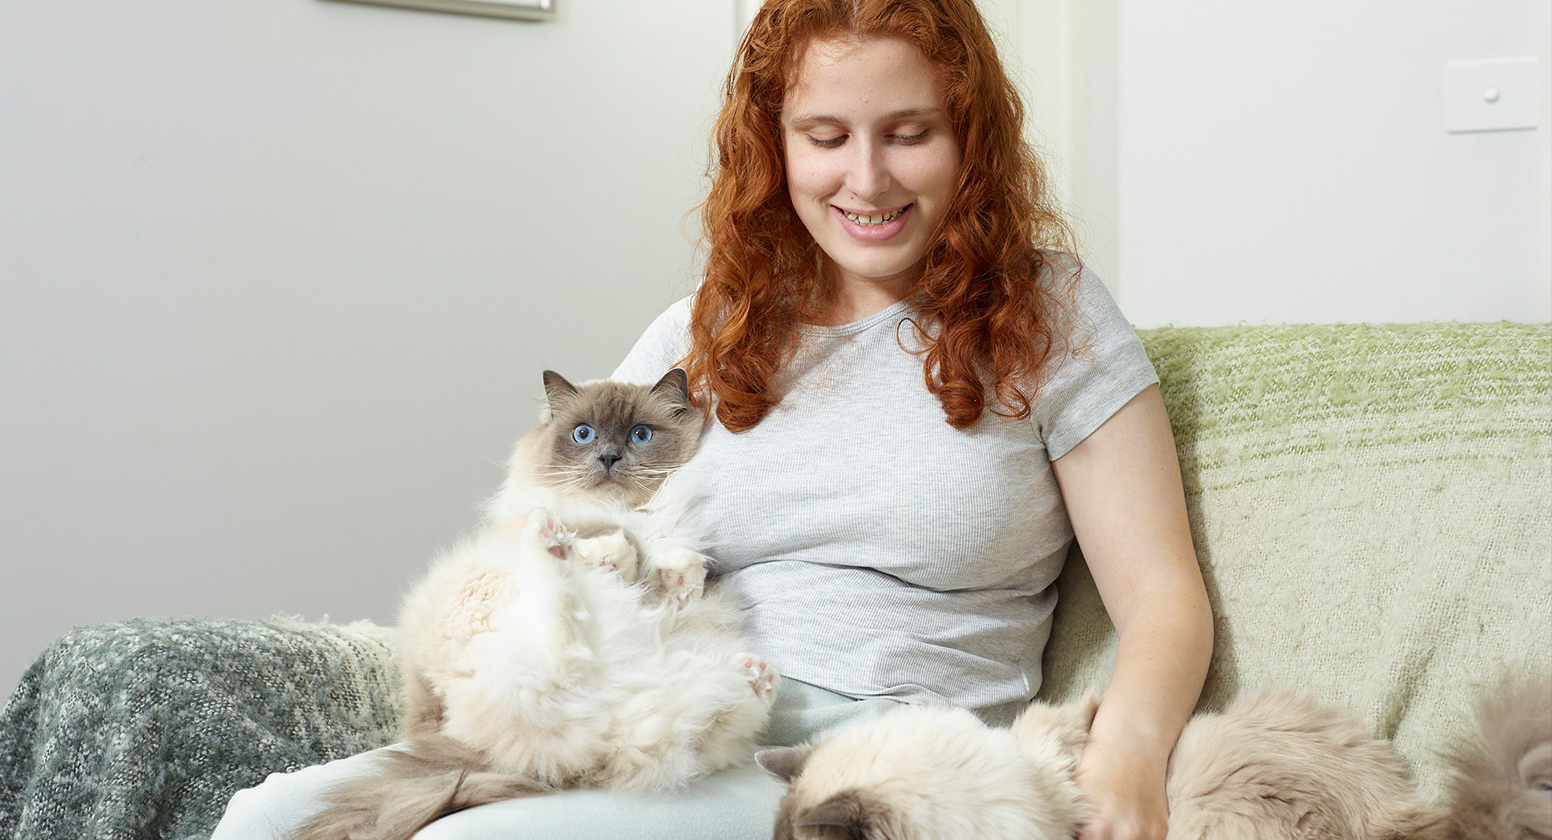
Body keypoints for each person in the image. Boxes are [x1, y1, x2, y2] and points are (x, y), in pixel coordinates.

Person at [212, 1, 1212, 838]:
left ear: (971, 138)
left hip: (871, 758)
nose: (866, 180)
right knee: (263, 820)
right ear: (773, 143)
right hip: (651, 702)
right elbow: (548, 522)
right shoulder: (709, 326)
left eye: (909, 133)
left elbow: (1163, 595)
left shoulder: (1052, 314)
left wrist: (1126, 749)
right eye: (826, 138)